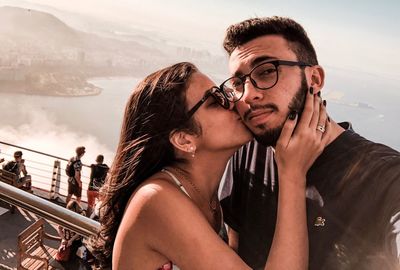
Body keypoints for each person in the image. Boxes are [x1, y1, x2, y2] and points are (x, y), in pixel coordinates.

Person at [91, 62, 330, 269]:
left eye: (225, 93)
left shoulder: (205, 194)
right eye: (215, 100)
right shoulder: (157, 199)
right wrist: (292, 174)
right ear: (184, 139)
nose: (236, 101)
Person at [219, 16, 400, 270]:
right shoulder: (246, 151)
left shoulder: (385, 175)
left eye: (267, 71)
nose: (248, 95)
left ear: (314, 79)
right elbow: (234, 254)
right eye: (238, 83)